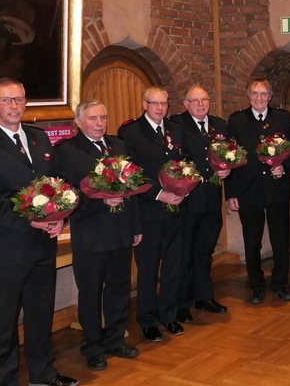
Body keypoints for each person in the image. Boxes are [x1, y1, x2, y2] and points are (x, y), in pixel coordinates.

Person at [0, 77, 78, 386]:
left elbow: (57, 186)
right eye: (7, 100)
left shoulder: (40, 139)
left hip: (42, 244)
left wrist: (59, 217)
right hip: (6, 248)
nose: (14, 106)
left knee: (40, 313)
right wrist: (28, 220)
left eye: (20, 100)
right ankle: (3, 380)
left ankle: (42, 374)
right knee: (4, 320)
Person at [54, 101, 142, 370]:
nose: (99, 123)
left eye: (103, 117)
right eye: (92, 118)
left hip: (120, 231)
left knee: (119, 287)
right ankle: (93, 346)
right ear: (79, 122)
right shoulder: (66, 151)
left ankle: (116, 338)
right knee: (91, 292)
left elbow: (133, 185)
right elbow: (63, 195)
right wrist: (100, 200)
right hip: (90, 234)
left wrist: (136, 226)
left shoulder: (118, 146)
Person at [117, 86, 187, 342]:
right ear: (144, 104)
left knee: (172, 265)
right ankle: (147, 320)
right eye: (155, 104)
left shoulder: (175, 129)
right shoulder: (131, 131)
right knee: (148, 269)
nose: (160, 108)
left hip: (176, 208)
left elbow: (183, 164)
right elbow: (130, 173)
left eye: (164, 104)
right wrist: (159, 194)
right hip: (148, 210)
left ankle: (168, 315)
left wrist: (184, 189)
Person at [226, 78, 290, 304]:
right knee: (252, 240)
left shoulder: (283, 118)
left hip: (277, 189)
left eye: (263, 94)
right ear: (248, 95)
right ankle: (256, 285)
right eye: (254, 93)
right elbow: (230, 157)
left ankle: (280, 283)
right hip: (249, 190)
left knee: (280, 239)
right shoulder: (237, 120)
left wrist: (283, 168)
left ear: (270, 97)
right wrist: (231, 193)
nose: (258, 98)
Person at [174, 84, 229, 323]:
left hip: (212, 198)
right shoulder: (177, 126)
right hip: (188, 201)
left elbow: (228, 155)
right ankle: (182, 303)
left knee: (205, 251)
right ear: (185, 104)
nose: (201, 104)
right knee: (185, 252)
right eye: (195, 101)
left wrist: (228, 171)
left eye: (204, 100)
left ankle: (204, 296)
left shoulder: (220, 125)